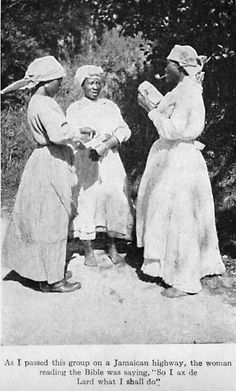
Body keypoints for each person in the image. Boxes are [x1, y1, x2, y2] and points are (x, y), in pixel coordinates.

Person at [136, 45, 225, 298]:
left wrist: (150, 110)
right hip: (172, 155)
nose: (165, 69)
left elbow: (175, 130)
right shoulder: (183, 89)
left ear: (180, 67)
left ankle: (184, 278)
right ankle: (166, 267)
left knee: (181, 215)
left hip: (180, 158)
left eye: (168, 65)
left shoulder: (188, 93)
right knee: (166, 210)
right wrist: (156, 104)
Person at [1, 56, 86, 293]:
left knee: (39, 218)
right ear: (47, 81)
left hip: (41, 159)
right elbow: (59, 134)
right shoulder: (45, 103)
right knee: (53, 218)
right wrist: (79, 133)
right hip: (51, 161)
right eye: (58, 81)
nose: (60, 85)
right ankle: (53, 280)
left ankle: (46, 271)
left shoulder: (35, 102)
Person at [67, 65, 133, 267]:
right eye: (91, 83)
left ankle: (111, 245)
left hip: (109, 159)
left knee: (113, 197)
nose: (95, 87)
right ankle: (88, 249)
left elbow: (123, 130)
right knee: (87, 199)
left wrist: (107, 143)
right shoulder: (75, 109)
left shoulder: (109, 107)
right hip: (86, 160)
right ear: (83, 85)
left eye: (98, 83)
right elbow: (69, 135)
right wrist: (83, 140)